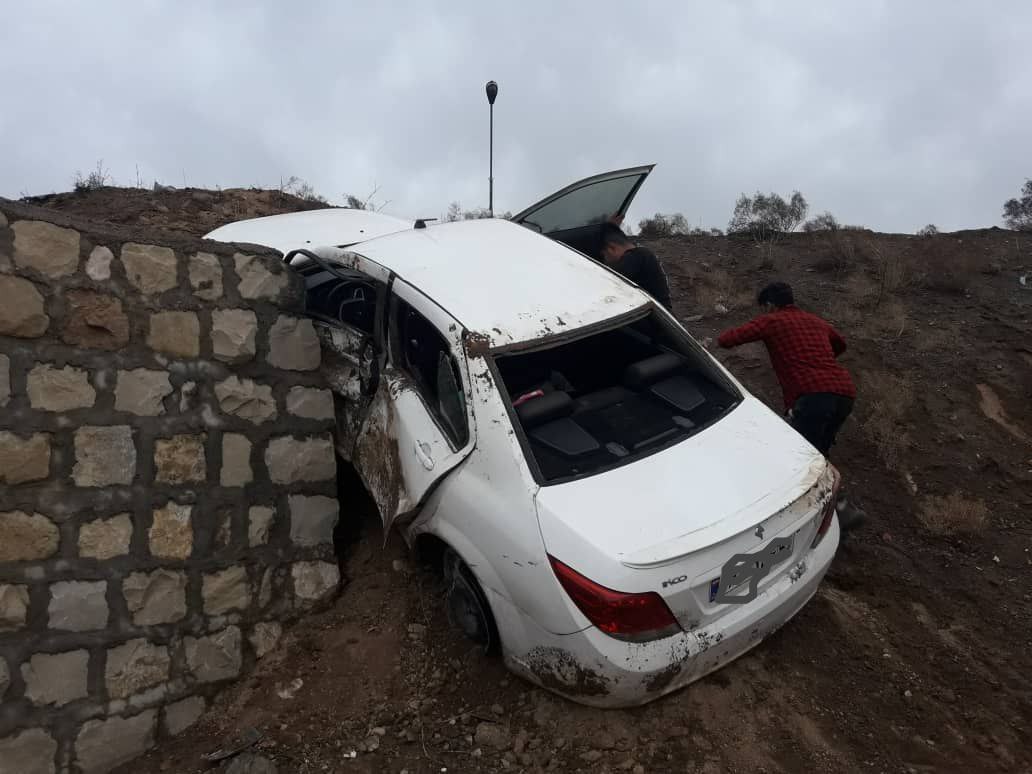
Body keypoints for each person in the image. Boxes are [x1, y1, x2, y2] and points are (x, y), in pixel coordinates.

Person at [717, 282, 864, 530]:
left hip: (814, 395)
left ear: (770, 305)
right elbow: (840, 344)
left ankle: (838, 509)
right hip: (844, 393)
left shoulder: (772, 321)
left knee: (804, 458)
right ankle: (835, 512)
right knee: (818, 453)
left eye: (764, 308)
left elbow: (726, 340)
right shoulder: (816, 321)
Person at [598, 222, 672, 311]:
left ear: (611, 248)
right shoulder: (643, 255)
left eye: (604, 256)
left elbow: (607, 281)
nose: (605, 262)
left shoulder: (637, 256)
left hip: (657, 321)